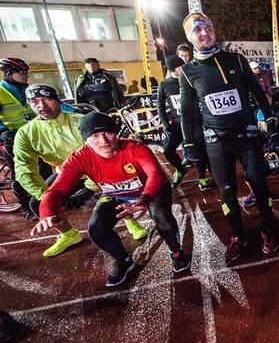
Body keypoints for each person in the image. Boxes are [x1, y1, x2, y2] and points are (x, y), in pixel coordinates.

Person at [30, 112, 190, 287]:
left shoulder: (134, 148)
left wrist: (144, 199)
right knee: (96, 228)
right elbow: (56, 190)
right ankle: (124, 261)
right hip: (116, 194)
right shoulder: (79, 157)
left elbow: (155, 175)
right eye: (94, 136)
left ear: (116, 134)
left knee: (162, 216)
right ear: (85, 140)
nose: (103, 141)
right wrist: (47, 213)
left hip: (150, 191)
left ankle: (176, 252)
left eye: (108, 133)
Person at [178, 12, 278, 260]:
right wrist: (189, 142)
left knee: (260, 184)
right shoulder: (187, 72)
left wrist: (270, 118)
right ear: (189, 37)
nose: (204, 33)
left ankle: (268, 230)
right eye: (197, 30)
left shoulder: (237, 59)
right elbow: (188, 111)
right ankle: (238, 236)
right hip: (216, 142)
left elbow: (256, 90)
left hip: (247, 137)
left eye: (208, 27)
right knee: (226, 191)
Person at [14, 83, 148, 256]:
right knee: (38, 203)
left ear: (57, 100)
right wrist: (46, 198)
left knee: (114, 188)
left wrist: (88, 189)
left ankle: (129, 220)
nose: (42, 105)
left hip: (98, 171)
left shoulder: (81, 122)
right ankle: (69, 235)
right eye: (35, 101)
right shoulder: (25, 133)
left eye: (47, 99)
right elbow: (24, 169)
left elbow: (105, 154)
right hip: (67, 174)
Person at [157, 56, 211, 190]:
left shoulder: (189, 79)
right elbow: (160, 106)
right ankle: (180, 169)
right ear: (172, 69)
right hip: (177, 123)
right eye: (179, 67)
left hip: (194, 123)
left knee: (198, 151)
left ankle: (202, 178)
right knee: (168, 150)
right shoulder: (165, 84)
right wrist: (165, 124)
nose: (183, 68)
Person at [1, 57, 39, 219]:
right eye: (22, 72)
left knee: (41, 171)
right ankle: (26, 207)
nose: (26, 76)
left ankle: (41, 203)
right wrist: (3, 131)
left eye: (26, 72)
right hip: (12, 137)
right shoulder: (1, 91)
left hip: (33, 135)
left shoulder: (27, 90)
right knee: (21, 173)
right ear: (9, 74)